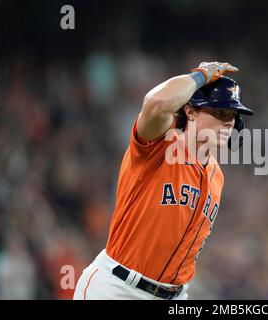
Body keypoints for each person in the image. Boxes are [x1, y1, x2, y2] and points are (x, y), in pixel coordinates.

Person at [73, 61, 254, 300]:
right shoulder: (159, 144)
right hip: (118, 287)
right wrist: (200, 77)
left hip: (174, 296)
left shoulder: (216, 176)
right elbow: (157, 103)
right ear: (190, 111)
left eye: (233, 115)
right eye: (219, 112)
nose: (229, 122)